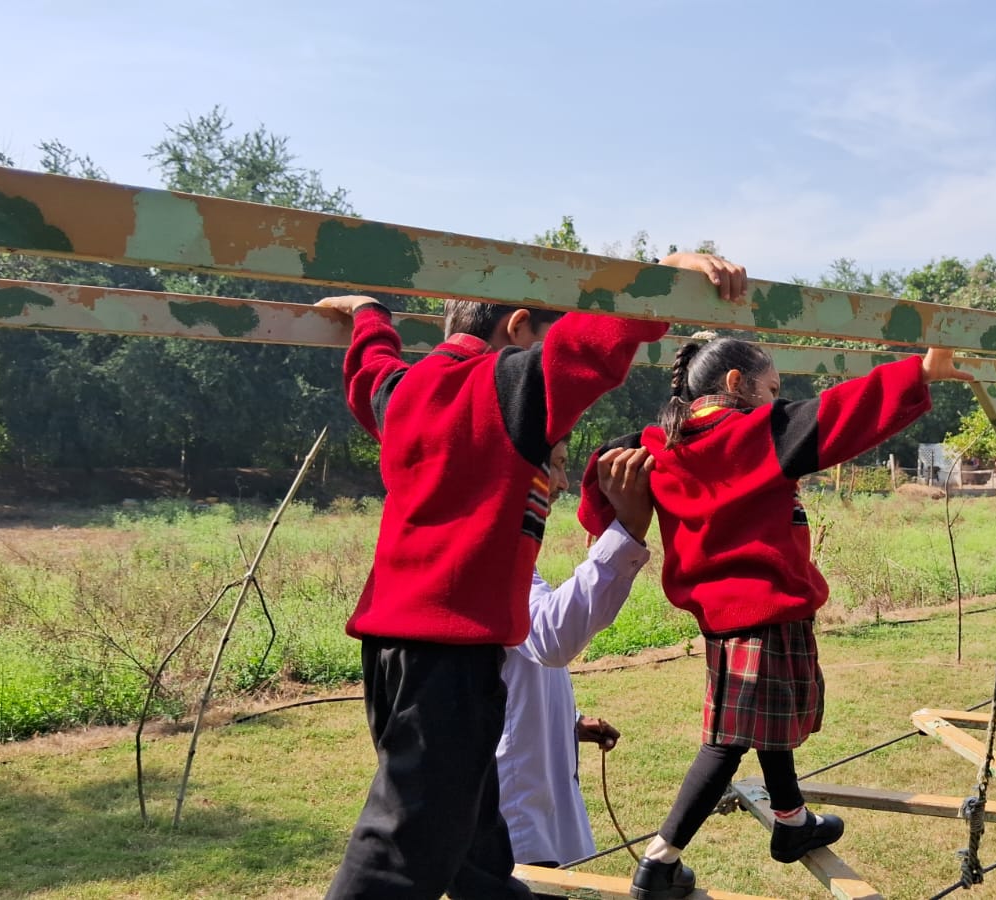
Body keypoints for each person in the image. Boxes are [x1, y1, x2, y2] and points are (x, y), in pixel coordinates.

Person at [317, 252, 742, 900]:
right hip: (450, 655)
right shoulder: (506, 384)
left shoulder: (405, 392)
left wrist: (369, 314)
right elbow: (593, 344)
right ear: (518, 329)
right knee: (399, 851)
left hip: (391, 652)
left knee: (475, 846)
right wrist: (662, 276)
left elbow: (371, 370)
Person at [580, 336, 973, 899]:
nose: (776, 401)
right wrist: (920, 373)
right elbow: (840, 413)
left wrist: (599, 521)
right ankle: (659, 861)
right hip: (764, 612)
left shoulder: (658, 445)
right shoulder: (753, 433)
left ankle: (791, 822)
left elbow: (601, 468)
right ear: (735, 384)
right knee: (726, 743)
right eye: (770, 389)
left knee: (759, 724)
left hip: (722, 621)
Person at [498, 436, 656, 867]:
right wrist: (627, 530)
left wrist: (570, 721)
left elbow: (514, 664)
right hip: (514, 808)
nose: (563, 482)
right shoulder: (492, 554)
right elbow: (549, 636)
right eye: (555, 464)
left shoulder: (508, 550)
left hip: (528, 795)